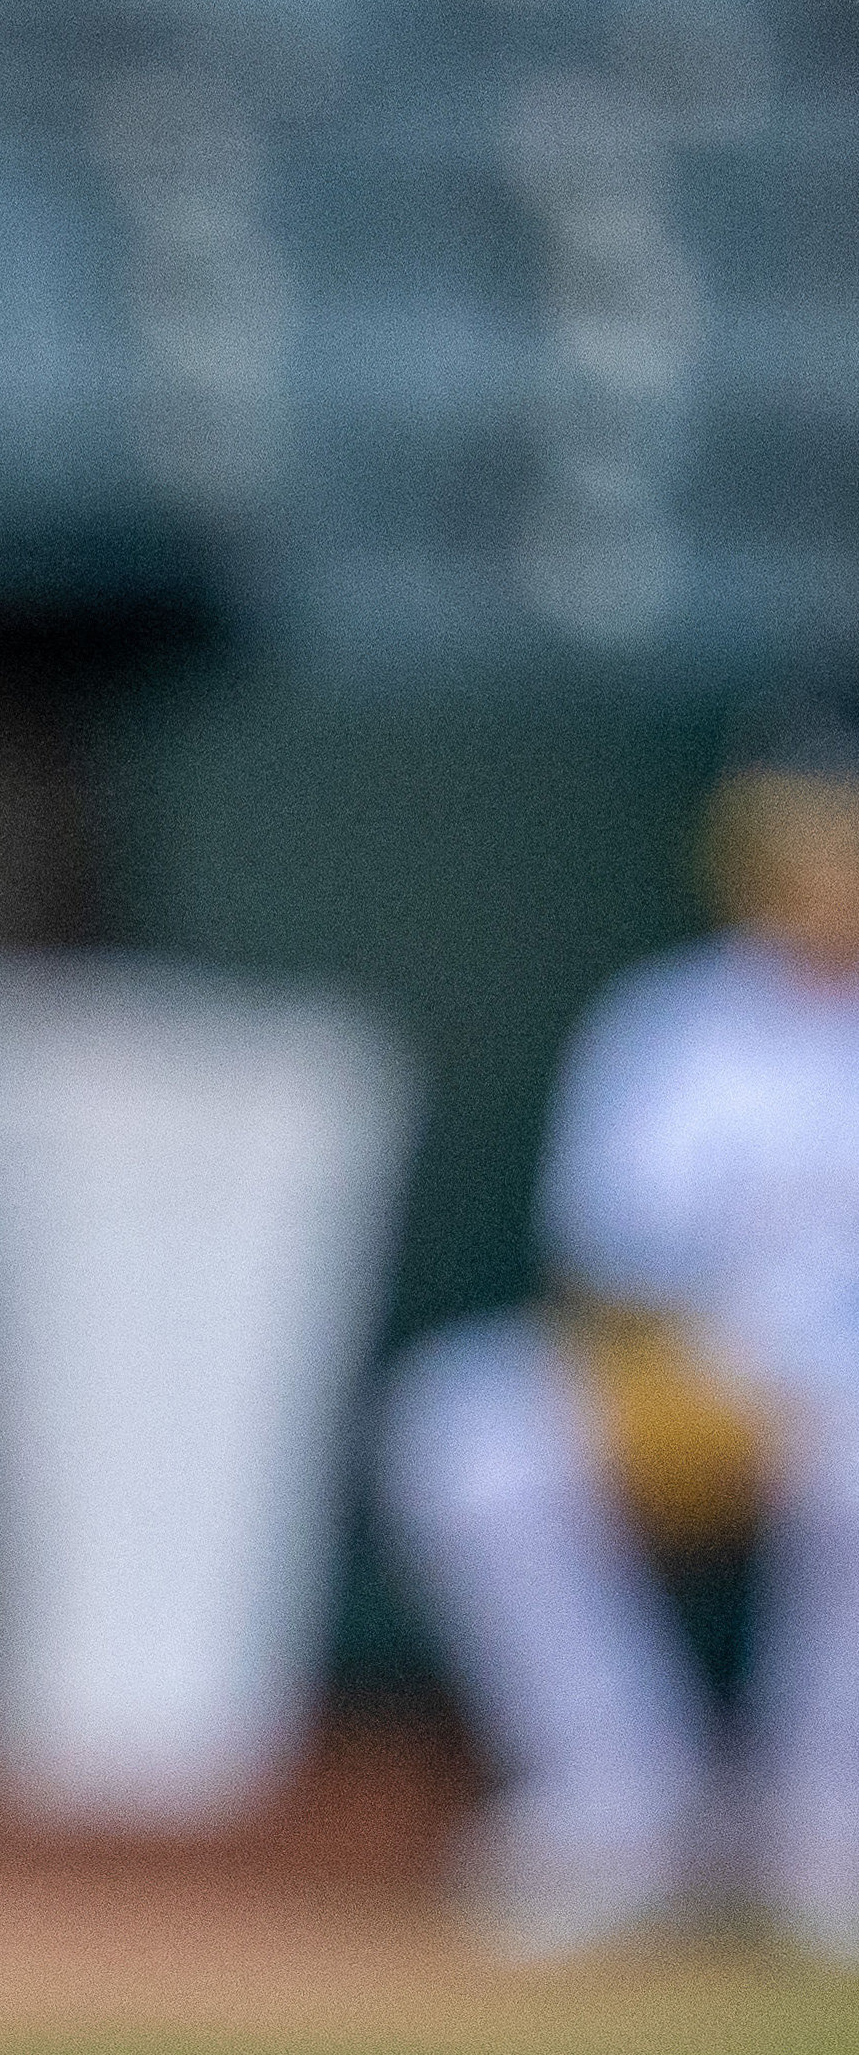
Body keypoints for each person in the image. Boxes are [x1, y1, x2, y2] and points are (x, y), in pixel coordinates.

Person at [380, 692, 859, 1963]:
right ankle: (622, 1807)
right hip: (707, 1378)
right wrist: (680, 1387)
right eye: (795, 842)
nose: (820, 876)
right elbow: (615, 1267)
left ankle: (831, 1834)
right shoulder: (677, 1020)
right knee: (469, 1429)